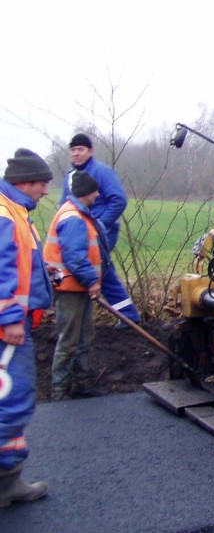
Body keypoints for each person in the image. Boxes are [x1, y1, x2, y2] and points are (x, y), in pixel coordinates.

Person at [0, 149, 53, 508]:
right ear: (26, 182)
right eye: (43, 184)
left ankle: (8, 480)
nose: (46, 191)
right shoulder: (7, 216)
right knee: (12, 402)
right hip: (9, 331)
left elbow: (22, 266)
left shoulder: (16, 213)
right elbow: (3, 272)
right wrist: (11, 320)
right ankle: (5, 485)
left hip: (13, 325)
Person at [60, 133, 140, 327]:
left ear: (90, 151)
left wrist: (101, 225)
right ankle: (129, 315)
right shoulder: (70, 177)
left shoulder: (101, 172)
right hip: (79, 232)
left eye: (81, 150)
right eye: (73, 150)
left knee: (93, 269)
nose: (76, 154)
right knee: (102, 271)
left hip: (100, 232)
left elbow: (119, 199)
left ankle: (122, 317)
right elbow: (64, 204)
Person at [44, 171, 108, 401]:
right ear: (86, 193)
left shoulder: (79, 214)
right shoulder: (73, 218)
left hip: (78, 289)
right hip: (71, 289)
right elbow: (75, 258)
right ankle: (59, 394)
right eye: (95, 191)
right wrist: (92, 282)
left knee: (84, 339)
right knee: (69, 342)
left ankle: (81, 385)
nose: (98, 194)